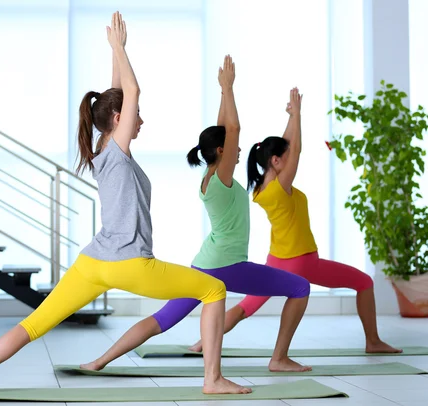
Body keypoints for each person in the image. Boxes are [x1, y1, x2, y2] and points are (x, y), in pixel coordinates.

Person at [0, 12, 251, 395]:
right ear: (118, 120)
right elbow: (130, 93)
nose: (141, 122)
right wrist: (119, 48)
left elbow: (116, 94)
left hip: (92, 264)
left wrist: (115, 53)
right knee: (214, 289)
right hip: (131, 263)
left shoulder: (104, 146)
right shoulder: (116, 149)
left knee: (33, 325)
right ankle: (212, 380)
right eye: (134, 118)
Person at [81, 57, 312, 374]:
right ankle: (279, 358)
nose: (238, 149)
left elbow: (223, 130)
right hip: (227, 266)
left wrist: (221, 93)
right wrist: (230, 88)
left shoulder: (210, 175)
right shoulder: (223, 177)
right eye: (231, 147)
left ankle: (100, 361)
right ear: (221, 151)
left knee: (161, 320)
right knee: (300, 288)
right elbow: (232, 129)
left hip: (204, 262)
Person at [190, 88, 401, 354]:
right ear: (276, 161)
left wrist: (290, 118)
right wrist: (298, 115)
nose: (291, 161)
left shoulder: (261, 189)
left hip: (277, 259)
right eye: (285, 159)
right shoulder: (281, 187)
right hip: (302, 261)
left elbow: (287, 147)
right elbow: (296, 150)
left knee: (246, 307)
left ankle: (201, 343)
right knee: (364, 282)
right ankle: (372, 341)